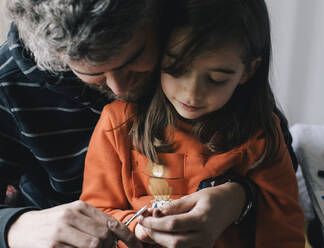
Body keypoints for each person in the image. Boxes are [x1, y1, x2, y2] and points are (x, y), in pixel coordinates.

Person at [0, 0, 299, 247]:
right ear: (58, 58)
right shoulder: (8, 84)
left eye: (134, 57)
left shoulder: (203, 45)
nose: (118, 89)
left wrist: (239, 197)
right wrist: (15, 226)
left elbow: (276, 157)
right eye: (92, 72)